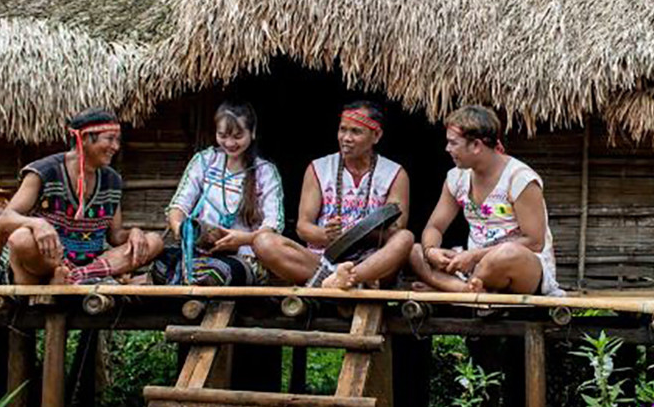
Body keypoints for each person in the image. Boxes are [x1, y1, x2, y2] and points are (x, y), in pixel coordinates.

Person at [251, 100, 416, 288]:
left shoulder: (395, 174)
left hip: (371, 262)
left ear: (376, 135)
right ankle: (341, 281)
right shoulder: (318, 168)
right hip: (321, 262)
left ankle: (347, 279)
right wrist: (326, 234)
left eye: (356, 131)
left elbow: (395, 229)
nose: (346, 137)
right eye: (343, 130)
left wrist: (355, 235)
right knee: (264, 242)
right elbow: (303, 228)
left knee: (405, 238)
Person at [0, 108, 163, 285]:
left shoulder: (112, 180)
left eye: (117, 140)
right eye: (109, 139)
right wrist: (37, 224)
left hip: (90, 262)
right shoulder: (44, 172)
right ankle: (66, 274)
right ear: (83, 138)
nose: (115, 147)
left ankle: (76, 276)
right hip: (49, 259)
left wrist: (134, 233)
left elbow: (115, 236)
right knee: (21, 238)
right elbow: (5, 218)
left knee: (154, 241)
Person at [409, 105, 562, 296]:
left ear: (476, 146)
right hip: (475, 266)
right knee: (415, 252)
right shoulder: (456, 178)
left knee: (505, 254)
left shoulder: (520, 179)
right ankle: (470, 290)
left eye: (453, 143)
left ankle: (454, 288)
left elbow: (535, 242)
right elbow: (435, 227)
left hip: (522, 269)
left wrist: (474, 256)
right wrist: (431, 251)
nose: (447, 149)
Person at [165, 102, 287, 286]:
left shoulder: (266, 172)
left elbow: (274, 224)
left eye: (238, 136)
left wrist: (243, 239)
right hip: (200, 252)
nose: (229, 143)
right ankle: (193, 275)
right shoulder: (205, 161)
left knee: (217, 272)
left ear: (252, 133)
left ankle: (193, 278)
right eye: (222, 136)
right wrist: (183, 230)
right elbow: (179, 205)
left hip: (245, 256)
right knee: (161, 263)